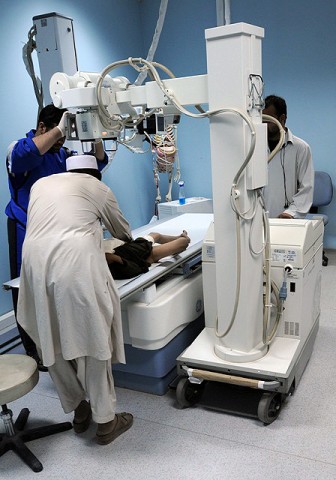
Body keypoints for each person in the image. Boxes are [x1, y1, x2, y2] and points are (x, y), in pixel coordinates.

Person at [17, 154, 134, 445]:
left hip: (33, 266)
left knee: (51, 340)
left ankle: (80, 410)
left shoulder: (41, 184)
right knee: (92, 340)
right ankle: (106, 421)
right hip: (73, 265)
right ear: (97, 174)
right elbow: (124, 232)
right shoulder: (97, 187)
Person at [5, 104, 108, 371]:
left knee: (57, 286)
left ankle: (61, 342)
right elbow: (23, 156)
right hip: (25, 228)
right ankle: (33, 351)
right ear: (42, 128)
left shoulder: (60, 154)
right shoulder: (21, 148)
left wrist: (94, 133)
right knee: (25, 287)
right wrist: (60, 129)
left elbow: (96, 163)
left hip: (57, 231)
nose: (61, 142)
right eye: (59, 135)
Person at [262, 95, 314, 219]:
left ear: (282, 119)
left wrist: (290, 213)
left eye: (268, 120)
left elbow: (306, 189)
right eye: (261, 119)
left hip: (286, 218)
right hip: (256, 220)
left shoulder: (300, 148)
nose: (263, 124)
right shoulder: (253, 147)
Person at [105, 231, 191, 279]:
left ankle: (177, 237)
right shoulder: (111, 262)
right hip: (144, 256)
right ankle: (184, 237)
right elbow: (134, 269)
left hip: (132, 247)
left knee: (155, 235)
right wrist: (118, 259)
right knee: (183, 242)